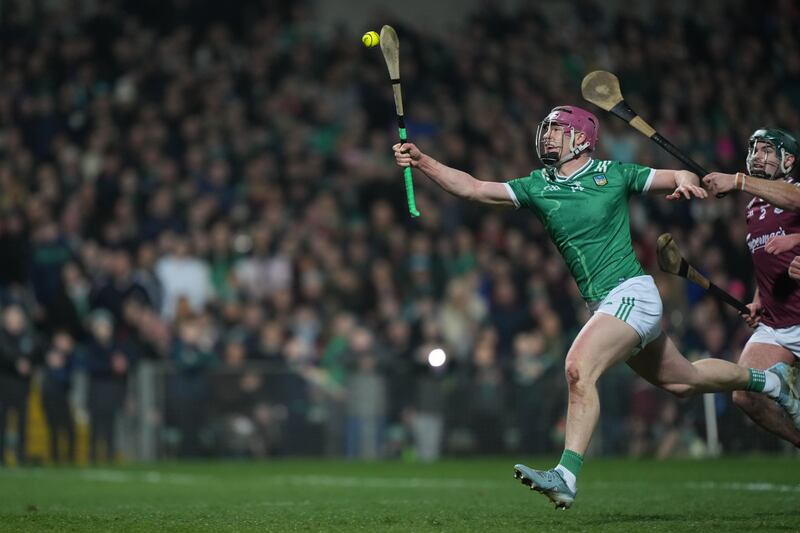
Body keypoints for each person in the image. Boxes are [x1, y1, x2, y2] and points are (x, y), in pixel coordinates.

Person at [393, 106, 800, 509]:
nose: (548, 135)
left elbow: (676, 174)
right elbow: (474, 188)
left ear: (582, 140)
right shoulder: (538, 185)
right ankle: (771, 383)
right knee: (685, 381)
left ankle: (565, 475)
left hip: (632, 294)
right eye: (547, 129)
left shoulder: (613, 173)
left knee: (577, 367)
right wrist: (424, 161)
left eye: (558, 129)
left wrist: (685, 182)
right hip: (604, 304)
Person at [703, 128, 800, 446]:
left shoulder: (794, 190)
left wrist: (739, 180)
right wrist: (759, 298)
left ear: (788, 160)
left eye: (768, 151)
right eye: (755, 149)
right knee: (744, 394)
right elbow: (766, 264)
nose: (758, 155)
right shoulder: (752, 209)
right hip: (777, 324)